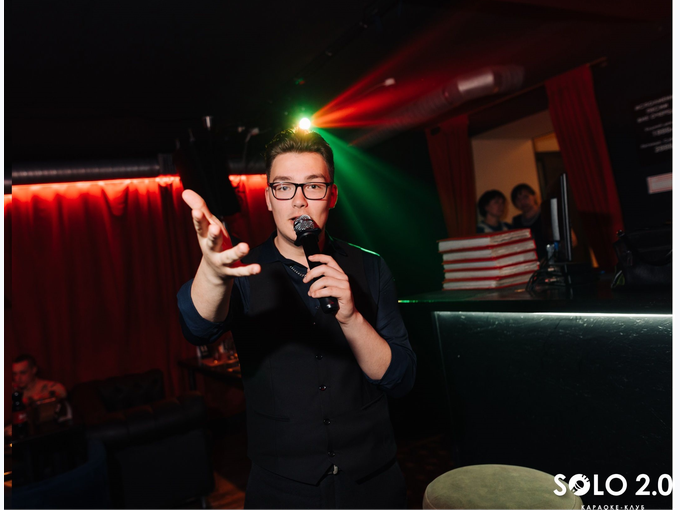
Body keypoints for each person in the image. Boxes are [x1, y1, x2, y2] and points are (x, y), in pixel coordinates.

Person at [177, 128, 416, 510]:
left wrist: (352, 318)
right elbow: (198, 327)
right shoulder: (244, 270)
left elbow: (400, 378)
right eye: (284, 187)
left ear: (332, 196)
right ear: (269, 198)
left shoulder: (370, 267)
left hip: (372, 479)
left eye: (314, 186)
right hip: (282, 486)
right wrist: (212, 272)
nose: (299, 200)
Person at [510, 183, 547, 259]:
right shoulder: (516, 221)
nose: (522, 202)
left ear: (534, 196)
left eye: (526, 197)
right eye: (518, 199)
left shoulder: (546, 215)